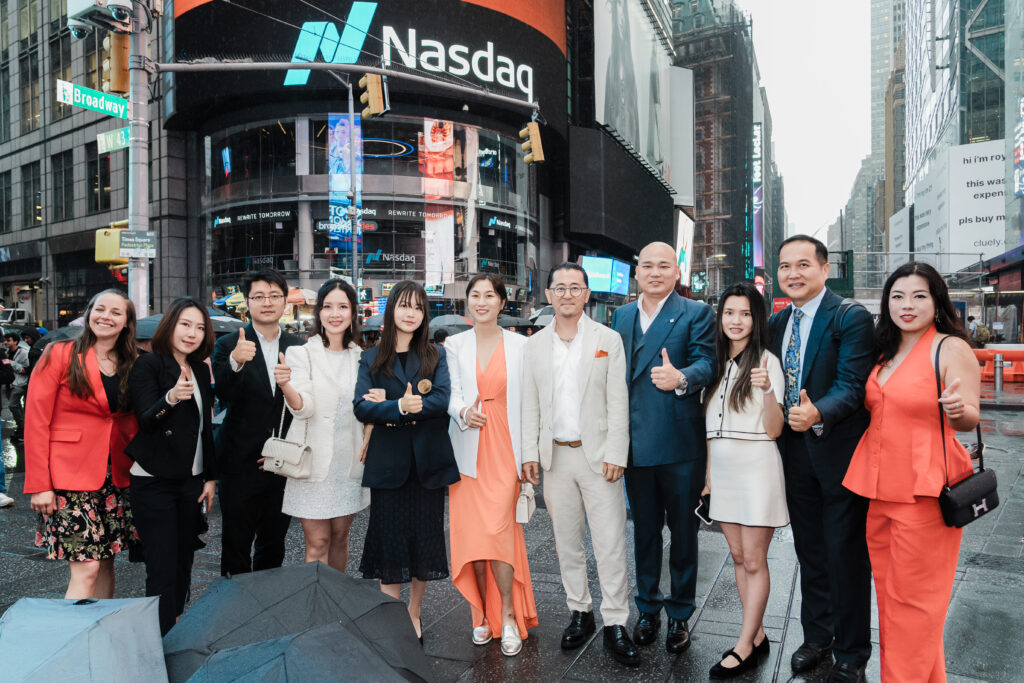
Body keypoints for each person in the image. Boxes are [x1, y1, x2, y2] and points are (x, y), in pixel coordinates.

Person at [843, 262, 979, 682]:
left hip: (924, 494)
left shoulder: (949, 348)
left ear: (937, 302)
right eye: (898, 296)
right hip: (879, 490)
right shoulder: (884, 351)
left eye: (919, 296)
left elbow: (970, 417)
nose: (907, 305)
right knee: (894, 604)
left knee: (913, 607)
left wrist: (957, 410)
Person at [770, 236, 875, 682]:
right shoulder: (778, 322)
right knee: (810, 551)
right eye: (784, 266)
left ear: (825, 269)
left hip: (839, 455)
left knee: (845, 554)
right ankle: (817, 637)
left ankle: (852, 651)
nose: (793, 273)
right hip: (793, 455)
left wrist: (818, 412)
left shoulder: (849, 317)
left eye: (803, 264)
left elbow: (853, 385)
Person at [522, 263, 636, 666]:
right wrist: (529, 453)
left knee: (610, 542)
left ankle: (616, 621)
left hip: (599, 457)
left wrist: (617, 453)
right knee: (566, 541)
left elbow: (618, 400)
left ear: (587, 294)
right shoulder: (535, 345)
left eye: (575, 288)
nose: (567, 294)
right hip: (555, 457)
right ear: (549, 295)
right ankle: (580, 611)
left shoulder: (608, 339)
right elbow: (530, 403)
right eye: (560, 288)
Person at [610, 242, 715, 654]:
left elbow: (708, 363)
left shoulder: (696, 313)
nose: (655, 272)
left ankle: (680, 613)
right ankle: (648, 607)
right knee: (645, 532)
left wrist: (682, 378)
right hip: (635, 445)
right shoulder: (621, 316)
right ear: (637, 273)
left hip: (679, 444)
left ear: (677, 272)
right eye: (648, 265)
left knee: (684, 534)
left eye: (664, 266)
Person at [353, 280, 460, 642]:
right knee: (390, 543)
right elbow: (360, 406)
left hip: (427, 465)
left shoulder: (435, 354)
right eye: (403, 305)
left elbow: (442, 399)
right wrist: (398, 406)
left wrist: (398, 406)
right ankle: (392, 615)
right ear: (391, 310)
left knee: (422, 542)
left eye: (417, 306)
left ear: (423, 313)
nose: (410, 313)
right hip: (388, 465)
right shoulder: (371, 357)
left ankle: (413, 612)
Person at [24, 289, 139, 599]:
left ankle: (98, 628)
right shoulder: (59, 353)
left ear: (126, 322)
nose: (106, 316)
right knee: (87, 567)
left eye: (116, 312)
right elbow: (36, 420)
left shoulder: (133, 362)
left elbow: (132, 420)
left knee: (106, 562)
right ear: (89, 313)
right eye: (100, 309)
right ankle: (72, 632)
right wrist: (39, 484)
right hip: (67, 477)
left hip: (115, 476)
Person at [445, 274, 538, 656]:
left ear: (502, 302)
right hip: (468, 449)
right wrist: (462, 412)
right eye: (475, 295)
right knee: (474, 538)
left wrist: (529, 454)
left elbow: (529, 402)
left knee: (499, 535)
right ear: (467, 301)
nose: (481, 302)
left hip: (505, 448)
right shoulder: (453, 345)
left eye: (489, 295)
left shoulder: (521, 345)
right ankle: (482, 614)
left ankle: (509, 616)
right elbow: (449, 393)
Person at [703, 282, 788, 678]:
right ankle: (757, 633)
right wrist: (708, 477)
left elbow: (774, 429)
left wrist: (768, 391)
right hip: (723, 473)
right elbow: (710, 430)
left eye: (745, 314)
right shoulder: (716, 362)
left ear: (757, 320)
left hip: (756, 469)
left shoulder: (767, 362)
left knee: (754, 559)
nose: (735, 321)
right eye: (729, 313)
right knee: (738, 557)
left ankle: (744, 645)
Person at [125, 297, 218, 635]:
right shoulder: (148, 365)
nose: (192, 333)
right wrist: (171, 397)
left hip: (191, 481)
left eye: (199, 327)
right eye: (185, 324)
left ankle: (175, 627)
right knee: (162, 566)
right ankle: (159, 640)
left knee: (183, 562)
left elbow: (205, 429)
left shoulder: (201, 369)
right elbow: (147, 420)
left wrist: (210, 477)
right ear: (170, 326)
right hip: (154, 480)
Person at [212, 269, 304, 576]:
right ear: (247, 302)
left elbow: (304, 402)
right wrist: (236, 362)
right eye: (259, 296)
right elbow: (222, 394)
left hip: (282, 461)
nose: (267, 302)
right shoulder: (229, 344)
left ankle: (267, 599)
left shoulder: (298, 346)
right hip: (239, 461)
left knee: (273, 544)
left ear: (285, 302)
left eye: (274, 296)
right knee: (235, 544)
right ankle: (235, 600)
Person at [277, 279, 370, 572]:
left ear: (353, 312)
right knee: (317, 543)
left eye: (342, 306)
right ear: (319, 312)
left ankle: (335, 598)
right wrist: (286, 386)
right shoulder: (301, 353)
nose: (335, 314)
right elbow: (304, 408)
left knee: (341, 538)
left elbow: (368, 407)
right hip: (312, 464)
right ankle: (316, 600)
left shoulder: (362, 358)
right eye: (328, 306)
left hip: (348, 463)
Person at [3, 332, 29, 443]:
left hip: (20, 383)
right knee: (16, 406)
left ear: (15, 341)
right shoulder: (6, 353)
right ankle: (22, 428)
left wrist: (11, 363)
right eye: (5, 340)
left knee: (13, 405)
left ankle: (22, 429)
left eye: (8, 340)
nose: (5, 342)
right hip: (9, 383)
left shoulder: (23, 353)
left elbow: (26, 369)